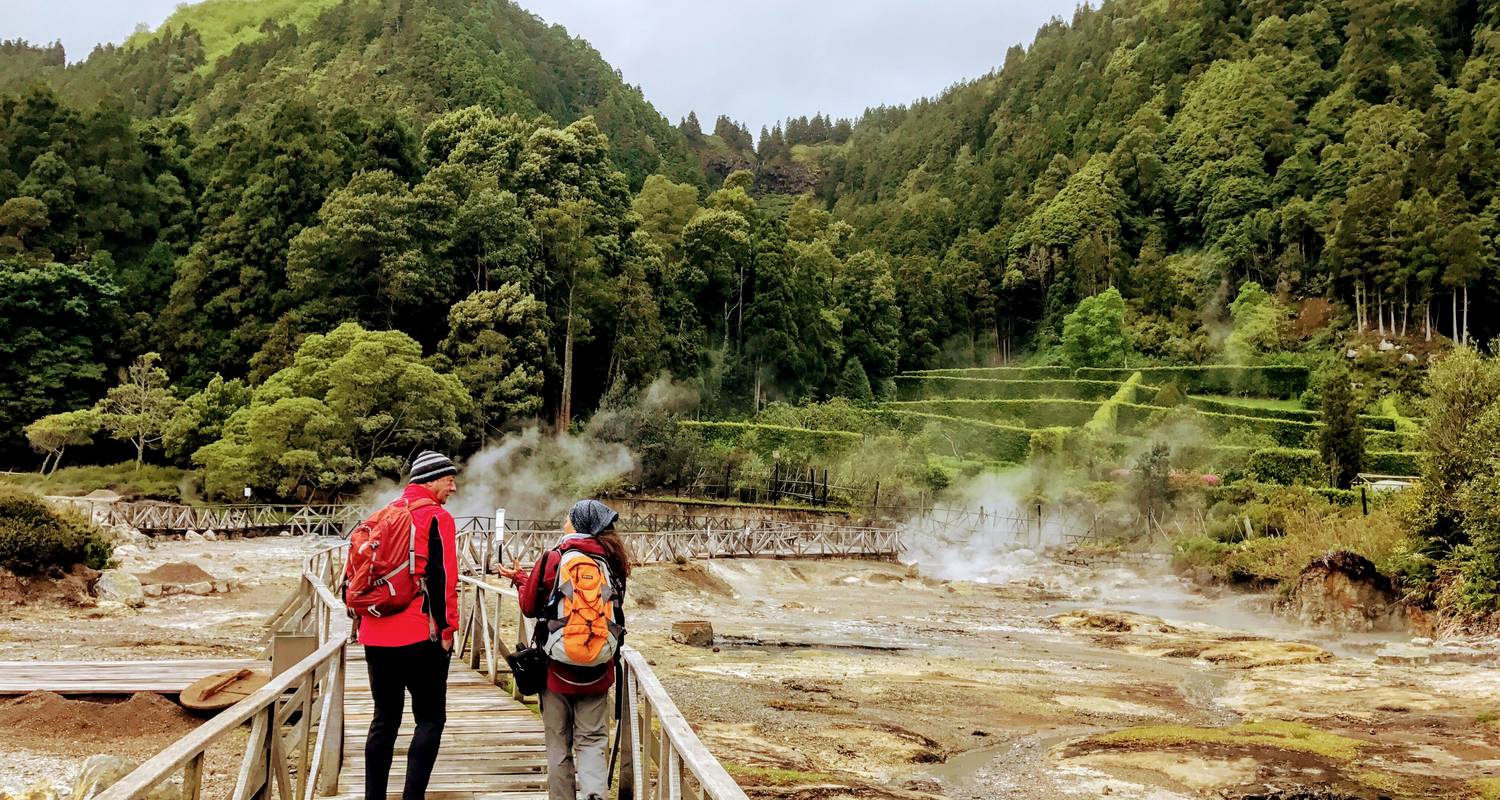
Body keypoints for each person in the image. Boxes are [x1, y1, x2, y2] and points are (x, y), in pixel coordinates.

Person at [499, 499, 632, 800]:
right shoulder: (614, 561)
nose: (564, 523)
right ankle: (594, 795)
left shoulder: (553, 558)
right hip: (599, 667)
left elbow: (530, 606)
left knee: (559, 744)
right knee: (593, 740)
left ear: (579, 524)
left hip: (555, 670)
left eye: (568, 518)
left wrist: (521, 581)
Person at [359, 450, 461, 800]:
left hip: (375, 633)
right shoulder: (437, 518)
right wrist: (448, 632)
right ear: (431, 480)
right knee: (430, 718)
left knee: (384, 720)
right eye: (449, 480)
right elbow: (444, 578)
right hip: (421, 634)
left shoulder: (382, 514)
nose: (454, 487)